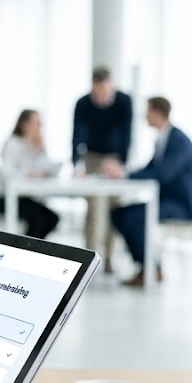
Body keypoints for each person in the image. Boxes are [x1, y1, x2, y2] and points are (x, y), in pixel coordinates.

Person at [104, 96, 192, 287]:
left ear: (157, 113)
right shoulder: (162, 139)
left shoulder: (179, 140)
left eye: (147, 111)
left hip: (184, 205)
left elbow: (163, 174)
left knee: (137, 216)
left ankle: (152, 269)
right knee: (119, 213)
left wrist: (124, 173)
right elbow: (149, 169)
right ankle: (146, 267)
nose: (144, 115)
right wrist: (122, 172)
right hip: (169, 200)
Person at [72, 66, 133, 273]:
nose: (101, 96)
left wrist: (121, 163)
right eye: (97, 92)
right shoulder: (83, 103)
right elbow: (76, 134)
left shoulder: (124, 102)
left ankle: (108, 257)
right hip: (91, 157)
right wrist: (76, 164)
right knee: (94, 209)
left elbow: (127, 134)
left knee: (114, 209)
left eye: (105, 92)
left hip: (114, 158)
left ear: (111, 85)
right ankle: (89, 258)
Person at [0, 109, 60, 239]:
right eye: (35, 123)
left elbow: (43, 167)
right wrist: (28, 173)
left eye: (40, 124)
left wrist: (40, 149)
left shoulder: (37, 144)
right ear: (24, 124)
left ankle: (31, 250)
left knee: (52, 219)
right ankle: (24, 250)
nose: (38, 127)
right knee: (39, 220)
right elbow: (7, 171)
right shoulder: (13, 143)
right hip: (4, 197)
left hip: (24, 197)